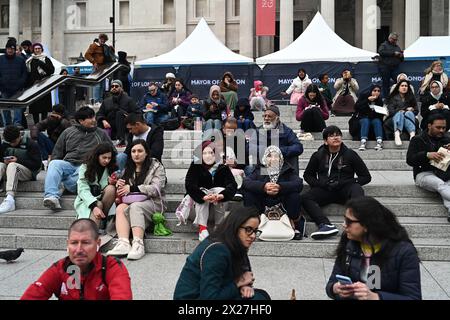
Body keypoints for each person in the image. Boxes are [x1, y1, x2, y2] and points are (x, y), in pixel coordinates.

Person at [326, 196, 421, 300]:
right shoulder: (349, 243)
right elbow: (331, 283)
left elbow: (413, 297)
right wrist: (335, 288)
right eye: (344, 219)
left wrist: (375, 297)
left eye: (349, 221)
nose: (344, 225)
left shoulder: (403, 251)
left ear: (367, 225)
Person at [174, 206, 270, 300]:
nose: (253, 236)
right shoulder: (216, 250)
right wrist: (238, 283)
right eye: (248, 230)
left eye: (255, 231)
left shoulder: (236, 243)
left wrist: (245, 286)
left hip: (214, 292)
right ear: (235, 227)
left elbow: (245, 272)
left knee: (261, 295)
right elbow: (209, 297)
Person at [21, 219, 132, 300]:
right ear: (67, 244)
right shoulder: (59, 268)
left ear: (98, 243)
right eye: (74, 243)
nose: (79, 249)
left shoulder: (112, 267)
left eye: (85, 243)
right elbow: (33, 295)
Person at [302, 126, 371, 240]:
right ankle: (325, 225)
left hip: (344, 190)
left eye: (338, 135)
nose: (336, 138)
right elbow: (308, 175)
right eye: (331, 136)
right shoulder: (318, 155)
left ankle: (355, 223)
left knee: (357, 189)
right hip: (325, 189)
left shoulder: (350, 154)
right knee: (305, 197)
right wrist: (320, 184)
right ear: (325, 141)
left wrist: (346, 182)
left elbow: (366, 177)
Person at [106, 139, 167, 260]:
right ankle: (123, 243)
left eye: (140, 151)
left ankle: (138, 243)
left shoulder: (156, 166)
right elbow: (125, 190)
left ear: (146, 153)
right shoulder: (129, 168)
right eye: (133, 151)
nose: (136, 154)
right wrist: (120, 185)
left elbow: (156, 188)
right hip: (133, 202)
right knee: (121, 208)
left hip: (153, 203)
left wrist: (133, 188)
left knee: (135, 206)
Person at [43, 106, 114, 210]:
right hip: (69, 165)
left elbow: (113, 152)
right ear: (81, 121)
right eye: (90, 118)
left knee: (80, 176)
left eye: (94, 117)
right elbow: (57, 152)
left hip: (88, 167)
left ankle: (63, 184)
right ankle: (51, 196)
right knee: (54, 163)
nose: (94, 120)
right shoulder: (68, 132)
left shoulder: (101, 133)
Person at [242, 146, 304, 240]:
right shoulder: (260, 170)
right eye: (270, 156)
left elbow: (298, 183)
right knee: (248, 192)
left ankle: (293, 222)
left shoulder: (287, 170)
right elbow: (246, 182)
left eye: (276, 156)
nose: (273, 159)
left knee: (294, 195)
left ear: (281, 159)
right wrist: (264, 187)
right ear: (265, 158)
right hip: (263, 204)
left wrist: (280, 187)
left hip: (283, 204)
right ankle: (254, 222)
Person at [185, 141, 237, 241]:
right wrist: (203, 196)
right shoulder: (196, 166)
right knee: (203, 191)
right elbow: (190, 185)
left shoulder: (222, 168)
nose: (208, 156)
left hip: (215, 209)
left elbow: (232, 185)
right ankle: (202, 228)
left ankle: (219, 227)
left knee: (219, 190)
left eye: (211, 153)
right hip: (196, 211)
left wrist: (222, 195)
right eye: (204, 153)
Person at [407, 113, 450, 222]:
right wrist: (426, 155)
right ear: (429, 126)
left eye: (444, 128)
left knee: (445, 186)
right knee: (440, 185)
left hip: (444, 173)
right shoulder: (417, 139)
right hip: (424, 173)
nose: (441, 130)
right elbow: (410, 160)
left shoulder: (448, 138)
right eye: (438, 127)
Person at [75, 143, 117, 230]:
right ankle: (93, 232)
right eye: (104, 157)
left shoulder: (111, 168)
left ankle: (102, 219)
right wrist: (93, 206)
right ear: (97, 156)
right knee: (98, 204)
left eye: (109, 158)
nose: (107, 161)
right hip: (87, 199)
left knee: (111, 189)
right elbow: (82, 189)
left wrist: (113, 183)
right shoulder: (85, 167)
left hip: (103, 198)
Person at [0, 126, 41, 214]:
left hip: (27, 172)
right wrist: (3, 160)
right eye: (9, 142)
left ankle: (10, 198)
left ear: (19, 136)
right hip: (9, 171)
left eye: (14, 141)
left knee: (13, 165)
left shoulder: (31, 144)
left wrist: (18, 160)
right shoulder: (5, 144)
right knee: (1, 165)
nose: (12, 144)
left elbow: (37, 164)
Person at [251, 105, 303, 174]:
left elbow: (298, 147)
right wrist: (267, 150)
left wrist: (278, 151)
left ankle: (292, 178)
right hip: (263, 165)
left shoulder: (287, 131)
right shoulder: (258, 131)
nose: (266, 118)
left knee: (293, 156)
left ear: (277, 119)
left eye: (269, 116)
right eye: (265, 116)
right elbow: (250, 147)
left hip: (283, 166)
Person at [96, 79, 140, 146]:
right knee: (99, 120)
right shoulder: (106, 101)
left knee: (119, 113)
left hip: (124, 125)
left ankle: (121, 140)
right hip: (110, 125)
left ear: (121, 88)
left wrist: (128, 116)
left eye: (116, 86)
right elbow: (99, 113)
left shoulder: (128, 100)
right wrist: (103, 120)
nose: (114, 88)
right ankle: (99, 141)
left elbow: (138, 113)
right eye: (112, 86)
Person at [0, 38, 27, 127]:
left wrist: (20, 83)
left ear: (14, 50)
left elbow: (24, 73)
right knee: (5, 108)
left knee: (17, 107)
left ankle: (17, 123)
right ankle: (8, 124)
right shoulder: (1, 59)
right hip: (4, 88)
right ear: (6, 49)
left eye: (12, 49)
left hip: (17, 88)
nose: (10, 50)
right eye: (8, 49)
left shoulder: (20, 59)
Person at [26, 43, 56, 124]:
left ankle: (43, 124)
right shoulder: (30, 60)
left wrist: (41, 63)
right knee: (35, 107)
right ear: (33, 50)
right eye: (36, 49)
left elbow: (51, 70)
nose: (37, 50)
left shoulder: (46, 59)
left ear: (41, 49)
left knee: (44, 108)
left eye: (39, 48)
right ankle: (36, 124)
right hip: (34, 86)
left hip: (44, 85)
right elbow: (29, 73)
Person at [85, 34, 115, 103]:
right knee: (97, 85)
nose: (103, 40)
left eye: (104, 39)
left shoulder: (104, 47)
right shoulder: (94, 45)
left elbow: (110, 55)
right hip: (97, 67)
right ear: (99, 38)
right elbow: (87, 55)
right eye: (102, 39)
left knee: (102, 86)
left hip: (103, 68)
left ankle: (100, 102)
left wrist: (111, 49)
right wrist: (94, 62)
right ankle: (96, 102)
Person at [386, 79, 418, 146]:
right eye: (402, 86)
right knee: (400, 113)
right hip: (394, 118)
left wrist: (411, 110)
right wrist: (404, 110)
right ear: (398, 88)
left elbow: (416, 111)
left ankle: (412, 135)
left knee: (409, 113)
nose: (404, 87)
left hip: (408, 117)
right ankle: (397, 134)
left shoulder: (411, 97)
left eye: (406, 86)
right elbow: (391, 111)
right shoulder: (393, 98)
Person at [354, 85, 384, 151]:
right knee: (366, 121)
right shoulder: (364, 96)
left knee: (377, 121)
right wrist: (367, 100)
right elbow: (357, 107)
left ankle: (379, 142)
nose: (376, 92)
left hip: (373, 118)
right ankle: (363, 142)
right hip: (363, 118)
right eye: (374, 91)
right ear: (371, 91)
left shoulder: (379, 100)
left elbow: (379, 115)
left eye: (378, 91)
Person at [378, 32, 404, 98]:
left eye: (396, 40)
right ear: (389, 38)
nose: (395, 41)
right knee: (386, 83)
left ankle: (398, 97)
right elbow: (381, 52)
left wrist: (401, 55)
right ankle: (386, 98)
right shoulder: (384, 45)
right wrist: (393, 53)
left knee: (399, 81)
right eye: (394, 39)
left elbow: (402, 58)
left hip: (395, 67)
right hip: (385, 67)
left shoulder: (397, 47)